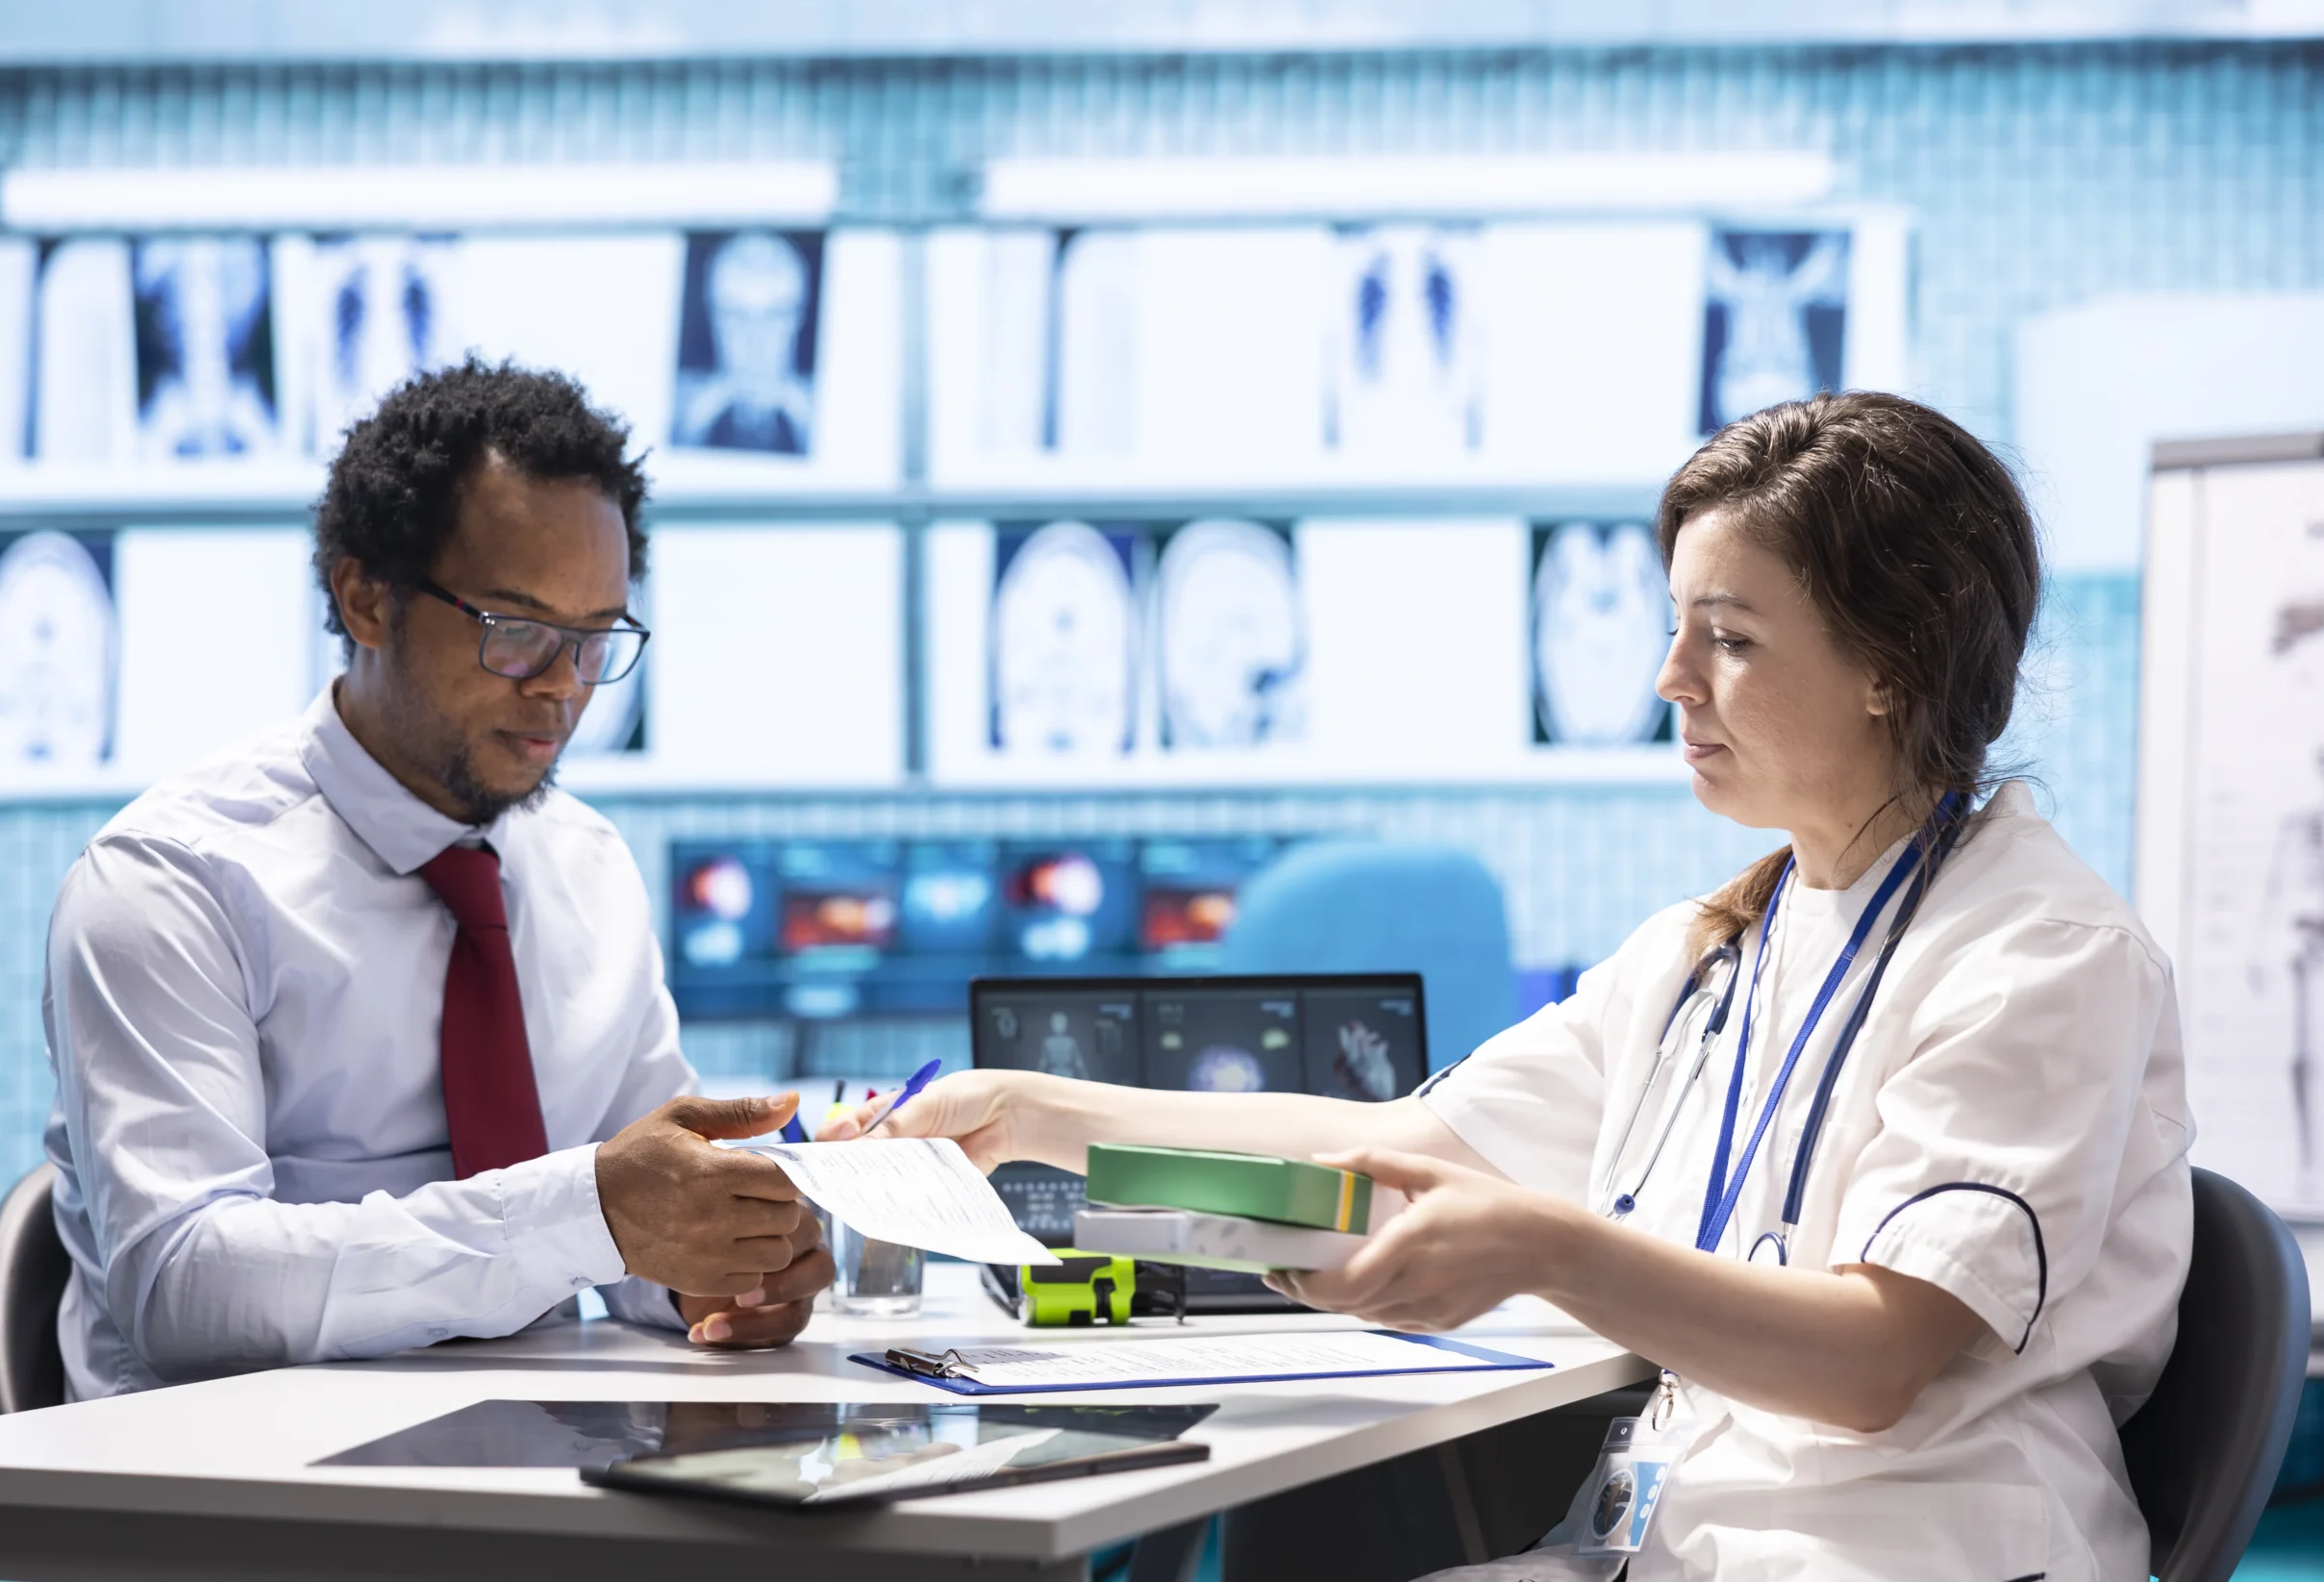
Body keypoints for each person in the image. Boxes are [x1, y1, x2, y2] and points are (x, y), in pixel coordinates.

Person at [831, 391, 2191, 1580]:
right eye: (1678, 628)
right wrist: (1028, 1117)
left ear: (1893, 663)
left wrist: (1541, 1244)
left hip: (1912, 1550)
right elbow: (1402, 1152)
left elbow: (1868, 1360)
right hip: (1679, 1543)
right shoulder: (1717, 945)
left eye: (1730, 637)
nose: (1670, 680)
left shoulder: (2042, 953)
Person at [43, 360, 829, 1398]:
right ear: (365, 597)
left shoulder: (585, 867)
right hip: (244, 1501)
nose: (561, 688)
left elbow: (639, 1221)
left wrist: (730, 1260)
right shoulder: (172, 882)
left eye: (596, 641)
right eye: (516, 632)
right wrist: (583, 1212)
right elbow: (184, 1290)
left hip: (545, 1470)